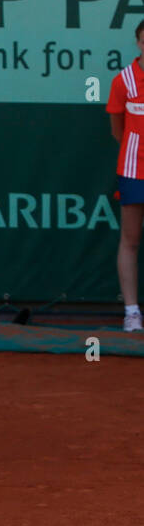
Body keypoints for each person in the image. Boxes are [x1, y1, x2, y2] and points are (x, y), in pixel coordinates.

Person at [109, 20, 144, 331]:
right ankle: (132, 312)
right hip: (134, 171)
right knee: (130, 240)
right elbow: (118, 131)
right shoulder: (123, 82)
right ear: (138, 43)